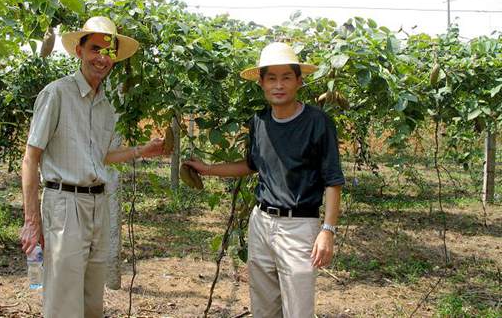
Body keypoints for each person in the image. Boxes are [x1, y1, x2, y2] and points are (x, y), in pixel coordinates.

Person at [20, 16, 169, 318]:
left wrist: (144, 150)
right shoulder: (57, 94)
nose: (102, 58)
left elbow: (100, 157)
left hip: (98, 204)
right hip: (65, 205)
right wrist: (32, 220)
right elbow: (30, 157)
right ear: (79, 51)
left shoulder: (106, 103)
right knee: (63, 300)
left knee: (92, 299)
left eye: (109, 51)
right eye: (95, 49)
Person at [185, 42, 345, 318]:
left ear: (299, 81)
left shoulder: (318, 122)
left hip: (299, 227)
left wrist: (327, 230)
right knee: (264, 307)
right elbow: (251, 165)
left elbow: (333, 180)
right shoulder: (258, 121)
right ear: (261, 83)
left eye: (286, 77)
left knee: (298, 310)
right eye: (271, 78)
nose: (278, 85)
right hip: (261, 224)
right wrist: (208, 169)